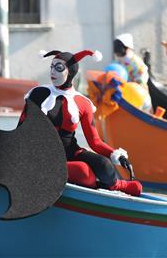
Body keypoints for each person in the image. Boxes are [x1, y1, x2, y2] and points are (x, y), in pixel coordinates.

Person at [21, 49, 142, 196]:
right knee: (84, 172)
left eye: (58, 68)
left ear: (71, 72)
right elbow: (21, 127)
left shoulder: (83, 103)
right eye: (52, 67)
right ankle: (94, 184)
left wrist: (115, 154)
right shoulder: (38, 93)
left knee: (104, 164)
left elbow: (95, 141)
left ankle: (117, 185)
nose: (52, 72)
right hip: (43, 155)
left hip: (71, 152)